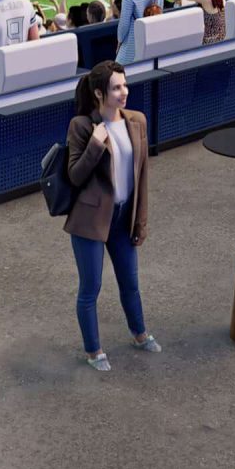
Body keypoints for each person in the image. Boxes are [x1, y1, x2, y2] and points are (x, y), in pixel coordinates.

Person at [61, 61, 158, 372]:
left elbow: (142, 176)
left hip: (123, 216)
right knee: (90, 288)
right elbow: (74, 175)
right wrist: (94, 143)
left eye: (125, 85)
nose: (124, 92)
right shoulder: (81, 126)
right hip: (89, 221)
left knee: (130, 281)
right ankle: (93, 350)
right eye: (117, 87)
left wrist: (140, 220)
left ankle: (140, 333)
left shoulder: (137, 121)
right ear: (100, 93)